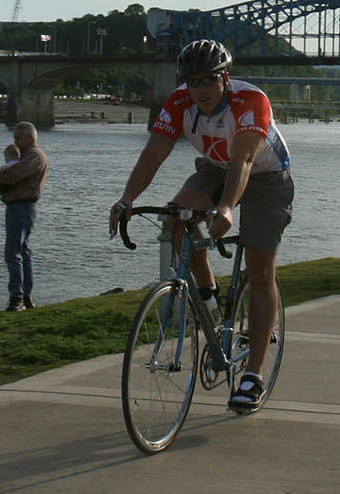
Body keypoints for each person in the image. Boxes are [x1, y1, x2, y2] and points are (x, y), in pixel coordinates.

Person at [107, 40, 294, 412]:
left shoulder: (250, 101)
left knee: (259, 270)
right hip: (216, 168)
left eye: (209, 80)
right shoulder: (178, 103)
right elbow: (154, 153)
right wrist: (126, 199)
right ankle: (207, 295)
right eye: (194, 83)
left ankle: (252, 376)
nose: (201, 90)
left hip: (265, 176)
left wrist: (226, 208)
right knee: (176, 221)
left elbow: (242, 162)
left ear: (225, 77)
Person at [0, 122, 47, 311]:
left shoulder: (34, 156)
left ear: (31, 137)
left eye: (18, 138)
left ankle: (17, 298)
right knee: (23, 251)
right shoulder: (28, 156)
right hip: (20, 207)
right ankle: (25, 296)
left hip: (21, 207)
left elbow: (13, 175)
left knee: (13, 252)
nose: (15, 142)